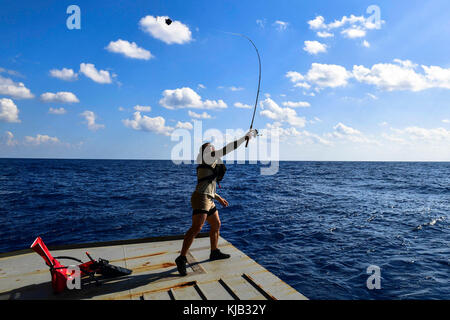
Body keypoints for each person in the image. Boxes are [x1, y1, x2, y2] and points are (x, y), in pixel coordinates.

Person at [175, 129, 258, 276]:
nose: (213, 147)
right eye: (210, 146)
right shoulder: (207, 157)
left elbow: (208, 185)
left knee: (216, 224)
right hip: (201, 198)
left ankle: (214, 252)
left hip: (209, 198)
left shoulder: (210, 163)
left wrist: (218, 198)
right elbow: (228, 148)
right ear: (205, 151)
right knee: (196, 228)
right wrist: (244, 138)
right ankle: (181, 258)